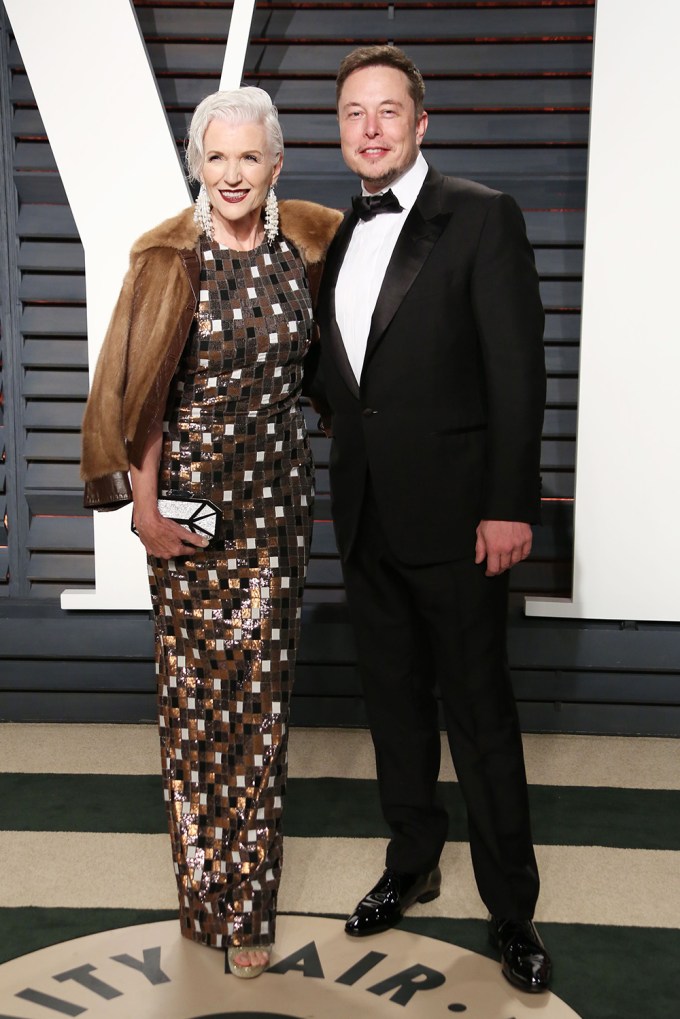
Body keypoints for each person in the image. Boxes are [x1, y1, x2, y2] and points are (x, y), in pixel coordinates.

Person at [80, 87, 342, 978]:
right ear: (200, 164)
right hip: (189, 517)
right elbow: (144, 395)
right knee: (196, 713)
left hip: (277, 514)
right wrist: (146, 514)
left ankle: (251, 905)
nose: (233, 174)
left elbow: (345, 363)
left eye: (249, 157)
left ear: (278, 165)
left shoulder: (309, 249)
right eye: (216, 157)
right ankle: (205, 898)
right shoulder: (167, 259)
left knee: (260, 715)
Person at [310, 46, 551, 993]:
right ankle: (410, 860)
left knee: (481, 716)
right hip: (366, 518)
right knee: (395, 710)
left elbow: (517, 373)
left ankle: (512, 911)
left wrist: (507, 504)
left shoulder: (484, 216)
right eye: (352, 114)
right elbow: (340, 384)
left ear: (420, 123)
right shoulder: (332, 238)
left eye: (386, 111)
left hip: (461, 522)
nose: (369, 128)